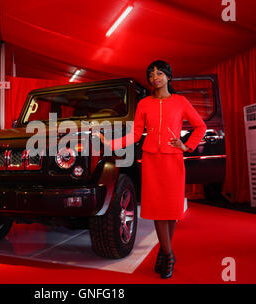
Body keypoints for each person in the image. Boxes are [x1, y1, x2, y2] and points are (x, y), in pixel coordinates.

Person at [96, 60, 206, 279]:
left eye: (159, 73)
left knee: (171, 211)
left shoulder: (181, 101)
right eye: (151, 74)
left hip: (174, 160)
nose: (154, 77)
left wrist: (187, 146)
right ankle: (168, 254)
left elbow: (200, 126)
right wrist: (111, 144)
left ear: (168, 76)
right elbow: (136, 134)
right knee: (157, 210)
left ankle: (165, 254)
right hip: (152, 161)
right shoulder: (144, 103)